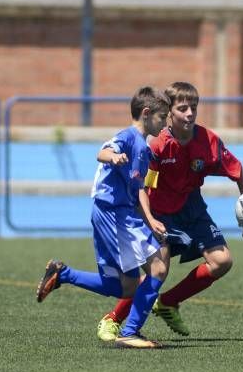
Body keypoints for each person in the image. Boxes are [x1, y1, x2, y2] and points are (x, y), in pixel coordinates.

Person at [96, 81, 243, 342]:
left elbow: (236, 169)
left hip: (192, 208)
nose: (189, 113)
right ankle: (114, 319)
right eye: (182, 108)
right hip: (160, 210)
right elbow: (143, 187)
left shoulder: (208, 141)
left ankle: (167, 302)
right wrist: (151, 219)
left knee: (222, 262)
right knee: (158, 267)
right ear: (170, 113)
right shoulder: (157, 145)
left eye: (194, 108)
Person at [36, 86, 171, 349]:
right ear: (146, 114)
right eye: (162, 117)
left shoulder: (143, 149)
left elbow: (137, 189)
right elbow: (103, 152)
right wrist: (114, 157)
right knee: (159, 267)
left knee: (124, 287)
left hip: (114, 214)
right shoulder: (128, 137)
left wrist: (150, 219)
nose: (165, 124)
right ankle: (130, 332)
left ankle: (63, 275)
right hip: (114, 215)